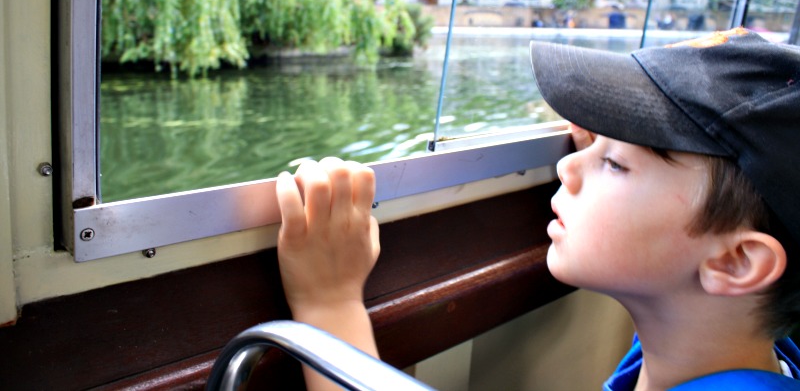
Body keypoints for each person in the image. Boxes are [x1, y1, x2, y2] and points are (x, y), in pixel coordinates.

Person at [276, 26, 800, 390]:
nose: (568, 168)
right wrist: (613, 151)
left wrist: (330, 303)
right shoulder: (723, 340)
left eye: (614, 164)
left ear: (736, 263)